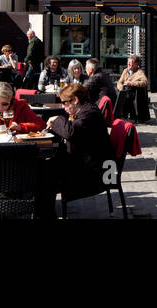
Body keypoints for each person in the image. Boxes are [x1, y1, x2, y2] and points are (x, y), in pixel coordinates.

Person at [37, 82, 117, 219]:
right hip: (87, 161)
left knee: (44, 177)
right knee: (42, 169)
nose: (63, 107)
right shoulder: (85, 109)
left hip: (94, 170)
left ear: (75, 100)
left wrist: (57, 119)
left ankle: (45, 214)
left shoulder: (89, 113)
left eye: (64, 103)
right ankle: (42, 210)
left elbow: (71, 132)